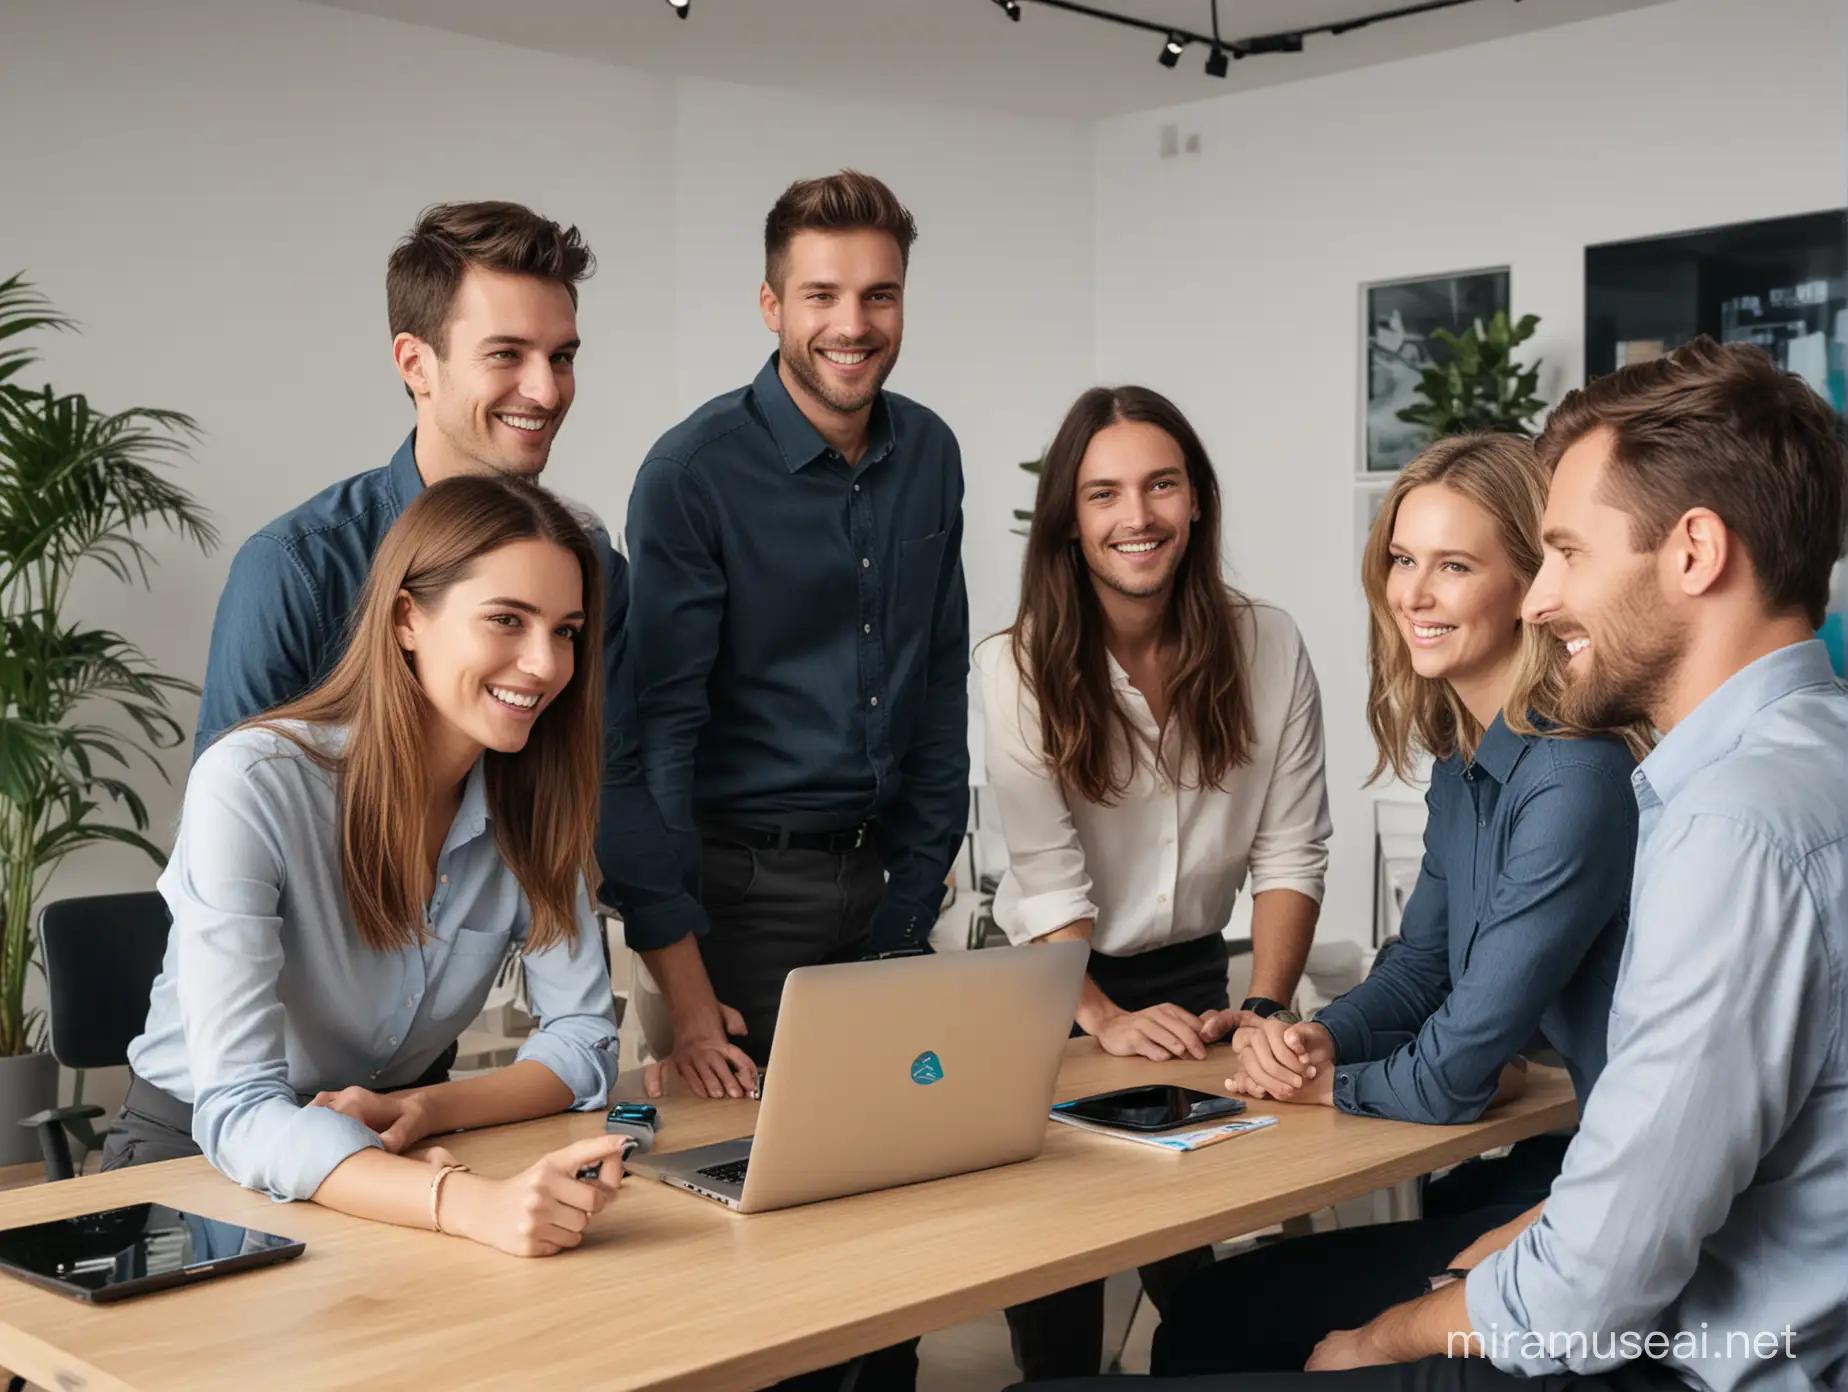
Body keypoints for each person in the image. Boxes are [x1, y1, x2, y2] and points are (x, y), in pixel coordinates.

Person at [1032, 336, 1848, 1392]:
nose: (1545, 602)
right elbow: (1679, 1167)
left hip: (1687, 1348)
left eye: (1566, 555)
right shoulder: (1781, 773)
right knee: (1228, 1314)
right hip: (1672, 1283)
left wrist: (1392, 1333)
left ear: (1694, 552)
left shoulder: (1725, 830)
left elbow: (1592, 1286)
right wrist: (1325, 1047)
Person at [1149, 432, 1649, 1378]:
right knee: (1217, 1307)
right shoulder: (1470, 759)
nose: (1412, 594)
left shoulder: (1573, 771)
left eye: (1454, 566)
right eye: (1402, 560)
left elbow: (1460, 1066)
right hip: (1576, 1173)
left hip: (1606, 1198)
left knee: (1217, 1318)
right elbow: (1420, 968)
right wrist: (1321, 1039)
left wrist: (1322, 1087)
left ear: (1532, 585)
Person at [107, 476, 631, 1259]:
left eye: (566, 631)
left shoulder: (534, 799)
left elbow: (585, 1036)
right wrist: (463, 1202)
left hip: (386, 1155)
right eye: (506, 621)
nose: (544, 663)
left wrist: (425, 1109)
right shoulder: (252, 783)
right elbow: (242, 1111)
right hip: (193, 1161)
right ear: (406, 618)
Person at [193, 200, 703, 970]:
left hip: (422, 1045)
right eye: (507, 354)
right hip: (277, 1043)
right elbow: (225, 836)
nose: (546, 390)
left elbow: (608, 786)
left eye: (562, 357)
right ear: (415, 364)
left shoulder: (588, 566)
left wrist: (692, 1008)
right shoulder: (295, 568)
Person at [974, 384, 1330, 1380]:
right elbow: (1046, 881)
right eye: (1104, 494)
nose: (1138, 517)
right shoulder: (1016, 669)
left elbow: (1292, 853)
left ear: (1197, 501)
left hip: (1198, 986)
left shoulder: (1271, 643)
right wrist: (1099, 1017)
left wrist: (1262, 1004)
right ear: (1069, 523)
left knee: (1195, 1259)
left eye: (1161, 485)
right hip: (1051, 992)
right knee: (1059, 1272)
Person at [625, 170, 969, 1100]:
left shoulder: (932, 455)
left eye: (879, 295)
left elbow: (939, 687)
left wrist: (914, 895)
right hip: (739, 902)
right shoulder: (690, 475)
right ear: (773, 305)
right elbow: (662, 731)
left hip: (889, 879)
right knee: (778, 1195)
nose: (852, 324)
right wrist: (688, 979)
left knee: (922, 1147)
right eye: (821, 295)